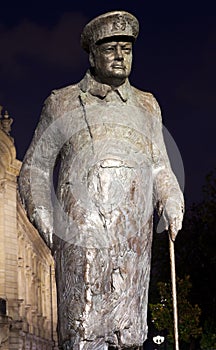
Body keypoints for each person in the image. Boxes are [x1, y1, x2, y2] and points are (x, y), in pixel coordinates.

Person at [19, 10, 184, 350]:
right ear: (92, 54)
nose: (121, 56)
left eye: (127, 48)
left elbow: (159, 166)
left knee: (130, 335)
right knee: (83, 334)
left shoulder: (147, 106)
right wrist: (51, 227)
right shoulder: (61, 103)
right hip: (81, 241)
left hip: (132, 243)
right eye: (111, 48)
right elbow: (34, 169)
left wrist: (171, 198)